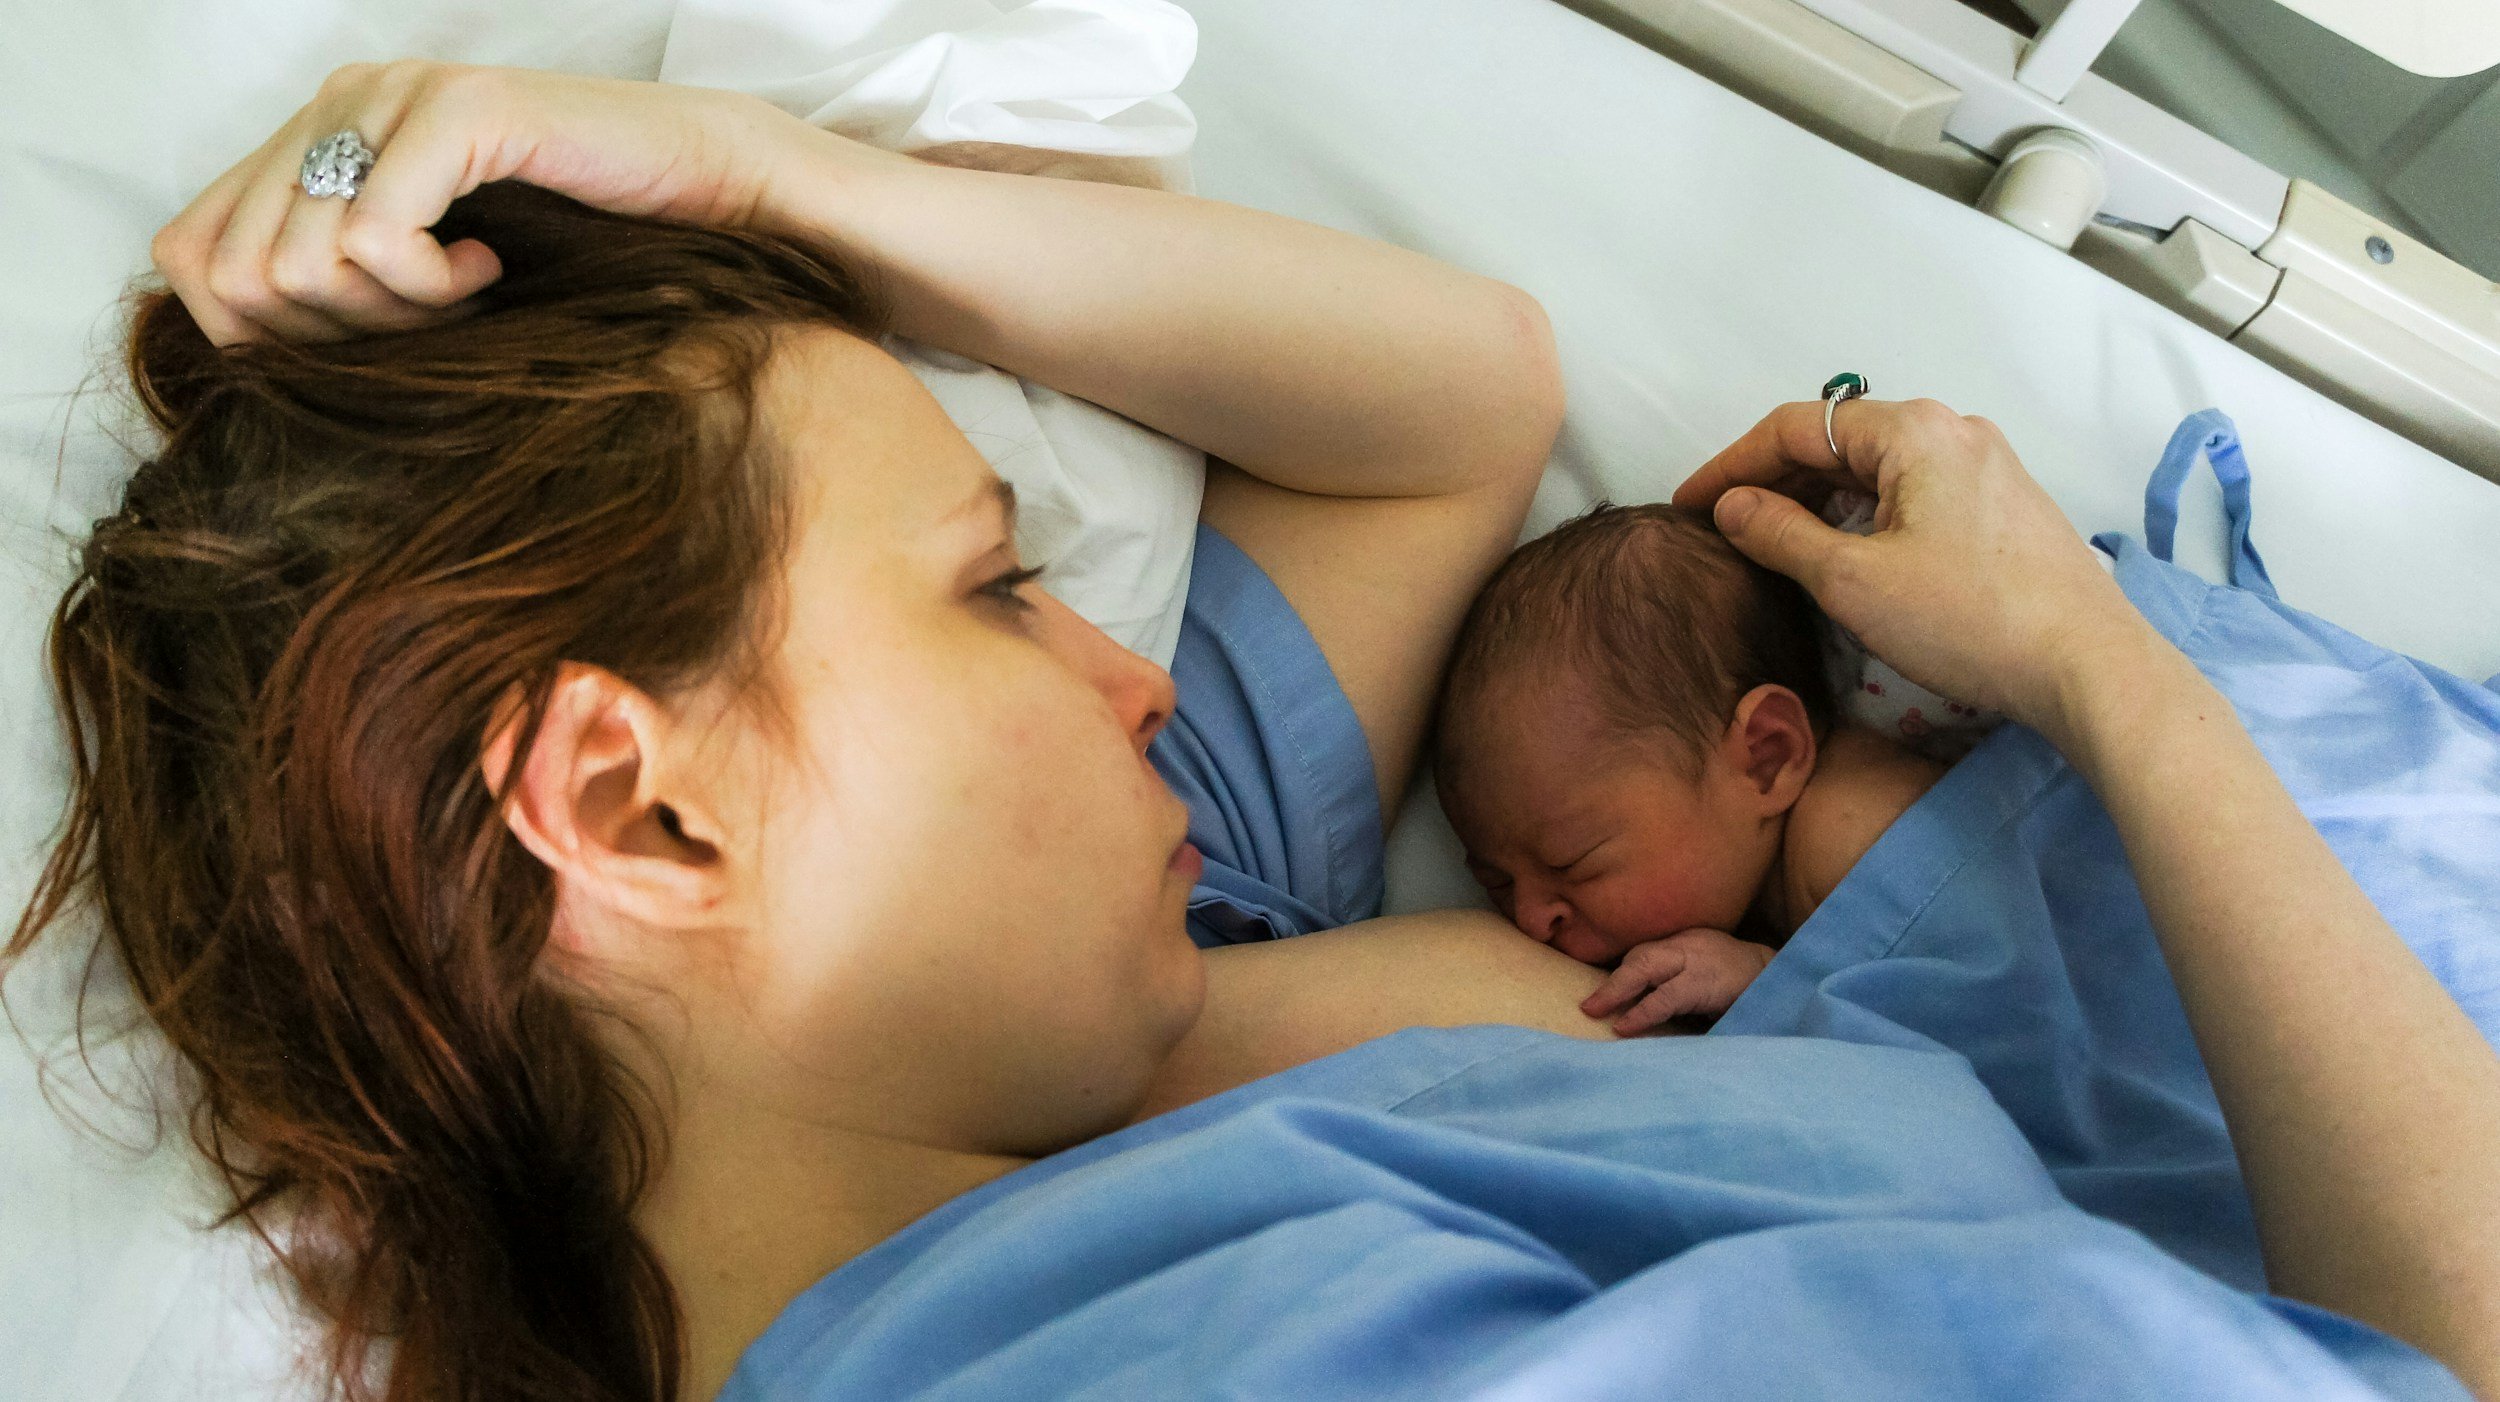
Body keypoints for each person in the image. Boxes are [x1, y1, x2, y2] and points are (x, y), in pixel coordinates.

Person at [24, 60, 2500, 1401]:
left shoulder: (1086, 1019)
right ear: (639, 805)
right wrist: (2102, 677)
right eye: (995, 591)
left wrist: (756, 179)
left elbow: (1454, 400)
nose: (1118, 661)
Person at [1430, 501, 1945, 1034]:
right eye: (1496, 882)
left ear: (1766, 759)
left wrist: (1763, 981)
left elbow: (1986, 1017)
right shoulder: (1757, 870)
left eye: (1572, 862)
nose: (1532, 919)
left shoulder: (1858, 830)